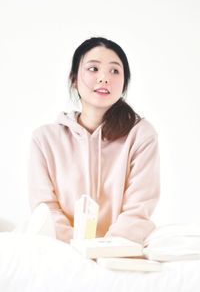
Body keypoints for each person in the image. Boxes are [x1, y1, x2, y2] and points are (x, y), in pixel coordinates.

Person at [28, 37, 160, 245]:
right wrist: (78, 250)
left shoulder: (141, 135)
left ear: (124, 83)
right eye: (93, 69)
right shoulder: (45, 139)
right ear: (73, 79)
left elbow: (138, 209)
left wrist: (103, 251)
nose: (104, 78)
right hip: (63, 251)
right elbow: (46, 209)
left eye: (115, 71)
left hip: (120, 252)